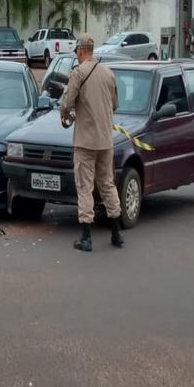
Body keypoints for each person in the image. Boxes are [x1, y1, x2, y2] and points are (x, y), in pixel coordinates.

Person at [60, 35, 124, 252]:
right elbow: (114, 104)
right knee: (107, 184)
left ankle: (86, 238)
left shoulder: (78, 73)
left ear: (80, 51)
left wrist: (67, 112)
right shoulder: (108, 73)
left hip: (86, 141)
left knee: (85, 187)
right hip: (106, 140)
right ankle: (116, 233)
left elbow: (67, 102)